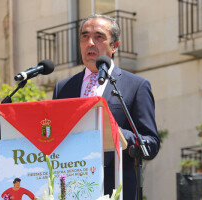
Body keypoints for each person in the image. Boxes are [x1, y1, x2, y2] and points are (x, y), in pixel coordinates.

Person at [52, 14, 160, 200]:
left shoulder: (135, 86)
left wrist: (117, 133)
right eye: (85, 37)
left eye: (99, 37)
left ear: (114, 46)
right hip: (70, 188)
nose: (90, 42)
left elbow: (150, 144)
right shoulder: (63, 88)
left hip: (115, 189)